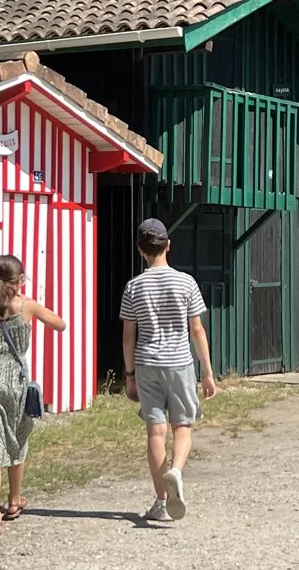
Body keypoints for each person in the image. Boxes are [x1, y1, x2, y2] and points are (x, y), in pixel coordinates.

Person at [0, 254, 66, 536]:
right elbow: (60, 324)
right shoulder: (26, 306)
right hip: (15, 379)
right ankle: (14, 501)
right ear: (20, 279)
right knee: (18, 435)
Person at [121, 218, 216, 522]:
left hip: (147, 362)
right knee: (183, 426)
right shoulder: (186, 282)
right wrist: (208, 372)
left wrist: (130, 375)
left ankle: (161, 502)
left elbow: (128, 335)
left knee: (155, 431)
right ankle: (175, 470)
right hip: (179, 362)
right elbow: (197, 330)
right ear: (168, 245)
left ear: (140, 250)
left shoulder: (134, 286)